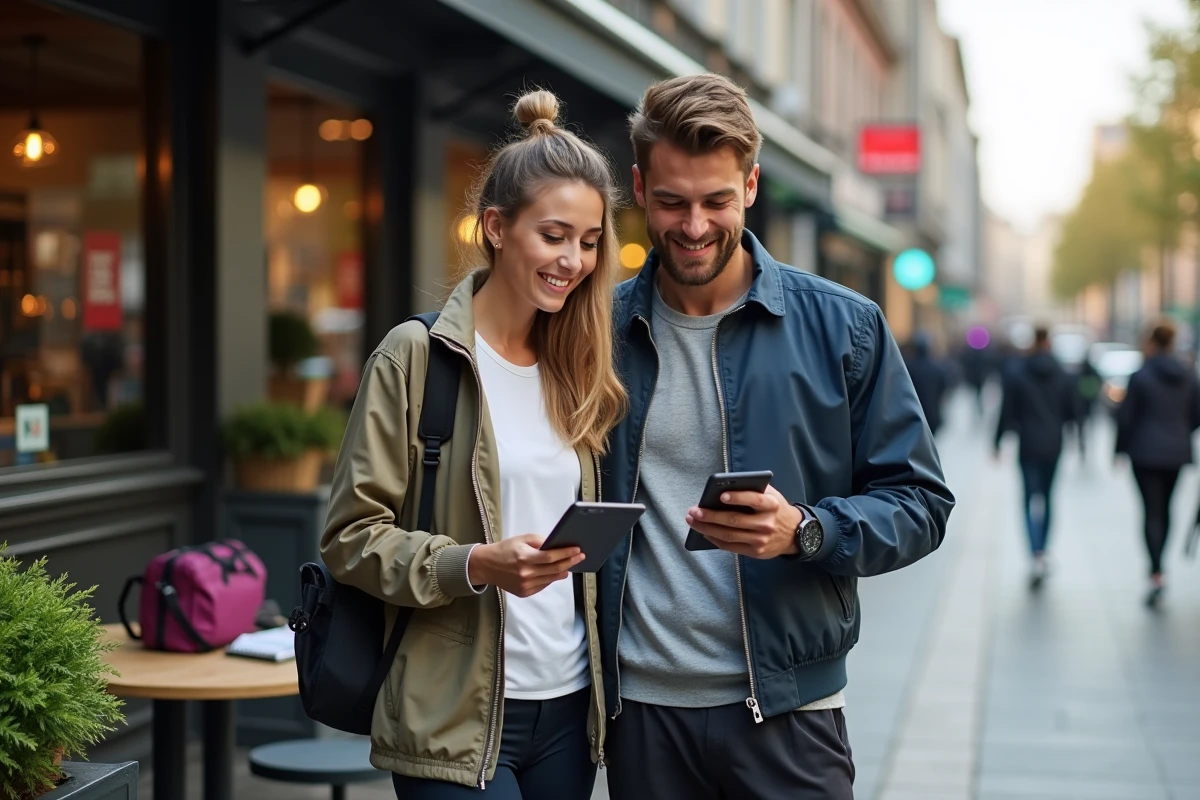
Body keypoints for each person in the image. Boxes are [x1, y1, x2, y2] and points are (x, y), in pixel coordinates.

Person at [597, 74, 955, 800]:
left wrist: (808, 529)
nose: (693, 225)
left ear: (752, 186)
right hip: (639, 714)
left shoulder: (845, 326)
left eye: (716, 201)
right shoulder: (595, 331)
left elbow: (922, 503)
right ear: (638, 186)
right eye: (671, 201)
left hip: (790, 716)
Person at [321, 90, 627, 799]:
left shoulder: (578, 367)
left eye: (588, 241)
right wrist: (475, 564)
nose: (573, 260)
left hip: (568, 709)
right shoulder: (416, 355)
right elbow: (349, 537)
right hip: (451, 714)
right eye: (553, 235)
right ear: (495, 226)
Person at [1115, 321, 1200, 608]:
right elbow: (1196, 415)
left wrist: (1119, 450)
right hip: (1176, 452)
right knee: (1166, 508)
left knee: (1150, 511)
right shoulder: (1188, 375)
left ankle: (1156, 570)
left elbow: (1126, 417)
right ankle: (1160, 567)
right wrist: (1179, 433)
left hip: (1144, 452)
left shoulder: (1140, 376)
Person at [993, 326, 1077, 589]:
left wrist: (997, 441)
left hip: (1028, 444)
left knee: (1029, 499)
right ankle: (1043, 551)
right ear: (1049, 342)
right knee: (1049, 497)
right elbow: (1073, 411)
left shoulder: (1018, 372)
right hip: (1054, 444)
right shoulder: (1063, 373)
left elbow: (1007, 411)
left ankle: (1034, 554)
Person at [905, 333, 950, 436]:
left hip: (914, 413)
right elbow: (943, 388)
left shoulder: (909, 368)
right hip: (932, 413)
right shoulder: (936, 368)